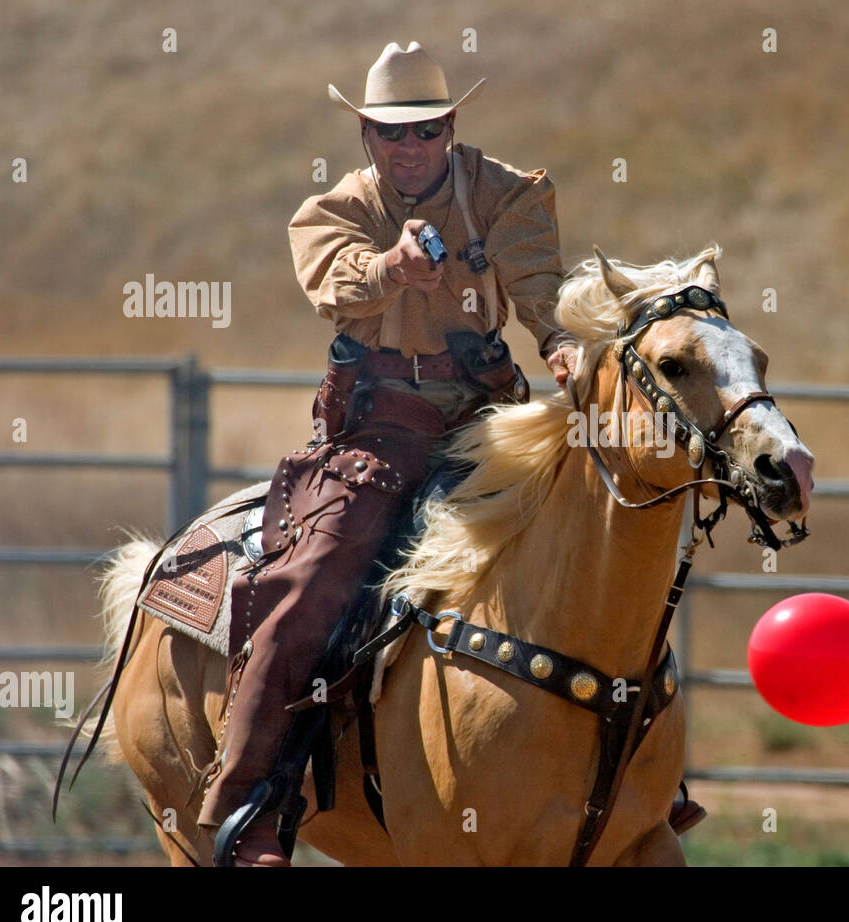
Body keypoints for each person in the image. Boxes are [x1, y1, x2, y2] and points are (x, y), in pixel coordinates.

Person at [197, 41, 580, 866]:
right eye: (390, 134)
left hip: (491, 416)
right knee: (311, 582)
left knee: (593, 539)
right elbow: (334, 284)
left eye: (427, 131)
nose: (410, 149)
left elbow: (543, 288)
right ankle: (246, 808)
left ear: (453, 128)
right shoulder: (331, 209)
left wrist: (562, 345)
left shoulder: (507, 193)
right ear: (365, 137)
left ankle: (638, 778)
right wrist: (389, 269)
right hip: (381, 421)